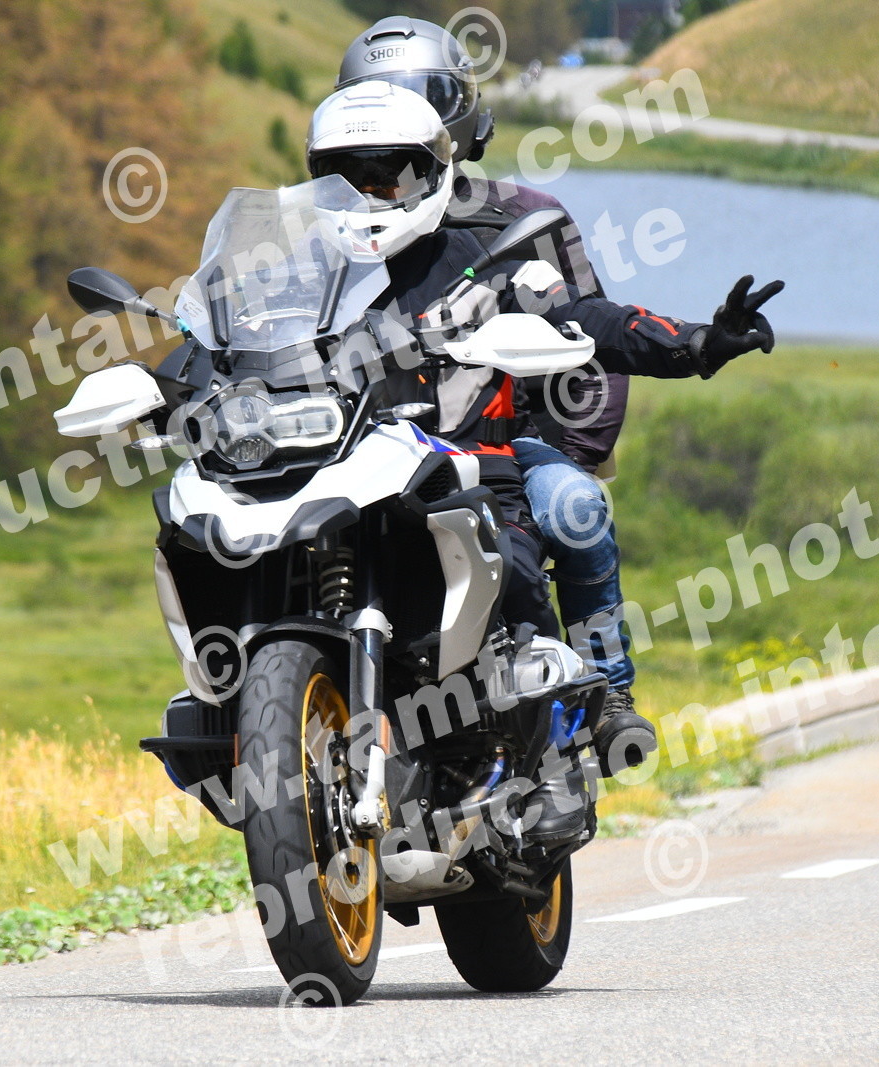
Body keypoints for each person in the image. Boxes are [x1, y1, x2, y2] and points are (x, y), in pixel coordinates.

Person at [306, 80, 784, 839]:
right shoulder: (304, 273)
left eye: (387, 173)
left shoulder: (487, 252)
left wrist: (696, 343)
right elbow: (227, 342)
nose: (370, 192)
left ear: (429, 171)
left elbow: (589, 319)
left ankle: (564, 749)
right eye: (348, 176)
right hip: (336, 472)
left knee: (520, 557)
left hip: (463, 464)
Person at [334, 16, 647, 775]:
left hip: (504, 441)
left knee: (572, 507)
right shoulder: (323, 235)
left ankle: (605, 693)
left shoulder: (522, 215)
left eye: (421, 100)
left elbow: (592, 344)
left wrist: (565, 452)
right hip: (353, 445)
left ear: (459, 119)